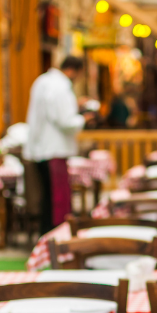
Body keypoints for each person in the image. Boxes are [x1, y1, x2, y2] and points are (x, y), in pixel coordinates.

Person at [23, 56, 92, 234]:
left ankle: (46, 237)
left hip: (40, 148)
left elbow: (51, 112)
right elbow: (65, 120)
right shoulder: (60, 87)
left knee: (46, 198)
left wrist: (74, 106)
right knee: (58, 199)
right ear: (72, 70)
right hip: (55, 149)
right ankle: (58, 237)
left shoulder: (43, 81)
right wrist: (83, 118)